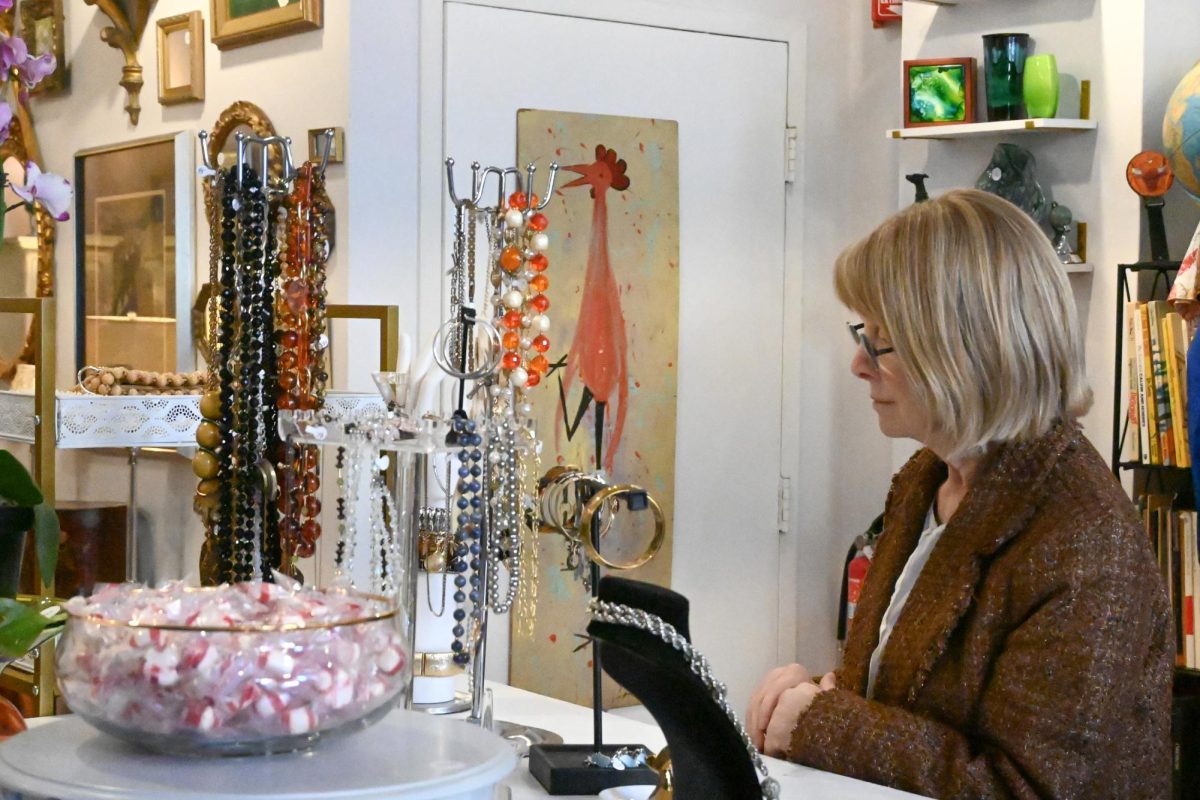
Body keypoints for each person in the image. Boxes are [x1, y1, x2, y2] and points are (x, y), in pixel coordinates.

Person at [747, 189, 1172, 798]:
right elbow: (916, 709)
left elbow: (1025, 789)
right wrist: (819, 695)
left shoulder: (1084, 541)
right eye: (860, 333)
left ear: (965, 347)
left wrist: (819, 722)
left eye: (881, 340)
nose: (858, 365)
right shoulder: (928, 483)